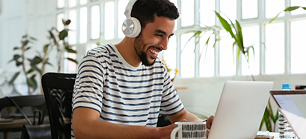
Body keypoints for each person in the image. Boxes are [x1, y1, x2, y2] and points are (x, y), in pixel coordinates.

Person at [72, 0, 214, 138]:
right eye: (159, 35)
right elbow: (84, 128)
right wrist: (158, 133)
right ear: (132, 28)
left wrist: (204, 126)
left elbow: (181, 115)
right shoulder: (97, 61)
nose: (165, 46)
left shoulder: (157, 69)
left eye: (169, 37)